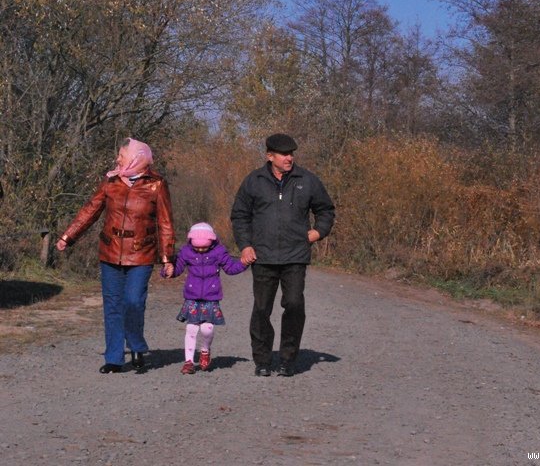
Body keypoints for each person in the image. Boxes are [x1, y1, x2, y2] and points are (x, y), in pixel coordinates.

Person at [56, 138, 175, 373]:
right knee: (112, 305)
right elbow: (90, 209)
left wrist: (167, 257)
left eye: (121, 155)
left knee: (133, 301)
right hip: (110, 252)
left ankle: (136, 345)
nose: (117, 159)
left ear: (136, 157)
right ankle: (114, 358)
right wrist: (68, 237)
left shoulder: (156, 184)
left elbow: (165, 223)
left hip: (141, 253)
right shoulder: (111, 180)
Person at [231, 133, 335, 377]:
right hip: (263, 257)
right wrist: (245, 245)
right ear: (270, 156)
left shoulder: (307, 180)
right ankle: (262, 360)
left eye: (291, 154)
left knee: (294, 304)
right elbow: (240, 215)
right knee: (261, 309)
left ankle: (288, 359)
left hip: (295, 255)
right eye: (284, 154)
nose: (290, 158)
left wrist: (317, 232)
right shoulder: (254, 181)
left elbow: (326, 210)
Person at [161, 222, 249, 374]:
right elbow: (178, 268)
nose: (200, 250)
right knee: (191, 328)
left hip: (211, 297)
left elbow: (230, 268)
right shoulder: (186, 252)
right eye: (197, 247)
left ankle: (205, 350)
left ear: (212, 241)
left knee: (207, 329)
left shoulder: (219, 252)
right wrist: (168, 271)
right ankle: (188, 362)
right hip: (192, 297)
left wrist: (243, 263)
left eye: (204, 247)